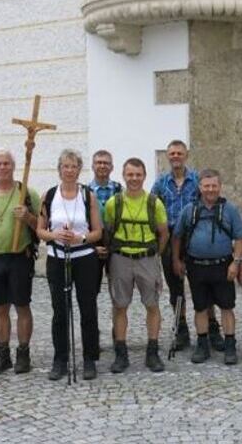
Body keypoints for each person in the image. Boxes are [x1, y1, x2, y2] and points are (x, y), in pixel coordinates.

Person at [37, 149, 103, 381]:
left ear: (79, 169)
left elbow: (97, 232)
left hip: (84, 257)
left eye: (74, 166)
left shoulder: (88, 196)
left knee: (88, 308)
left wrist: (80, 238)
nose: (70, 170)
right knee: (60, 310)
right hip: (57, 257)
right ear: (59, 169)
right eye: (66, 166)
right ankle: (60, 359)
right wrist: (55, 235)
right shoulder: (49, 195)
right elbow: (40, 230)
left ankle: (89, 359)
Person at [151, 140, 224, 351]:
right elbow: (153, 210)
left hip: (194, 238)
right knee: (176, 290)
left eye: (179, 153)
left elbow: (210, 204)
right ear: (168, 156)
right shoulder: (160, 183)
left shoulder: (197, 180)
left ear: (186, 155)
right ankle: (181, 329)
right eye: (172, 153)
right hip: (170, 239)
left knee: (204, 285)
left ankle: (212, 327)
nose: (176, 156)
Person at [0, 147, 40, 376]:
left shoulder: (26, 193)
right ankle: (3, 354)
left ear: (13, 166)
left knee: (22, 306)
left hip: (20, 257)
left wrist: (28, 217)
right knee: (0, 308)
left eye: (6, 163)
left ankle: (23, 353)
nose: (2, 167)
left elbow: (42, 227)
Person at [172, 169, 242, 365]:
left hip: (223, 265)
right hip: (196, 266)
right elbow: (177, 236)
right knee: (200, 307)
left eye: (214, 186)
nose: (210, 189)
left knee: (227, 307)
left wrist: (236, 263)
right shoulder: (189, 210)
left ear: (220, 187)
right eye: (206, 186)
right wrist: (176, 260)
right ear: (200, 187)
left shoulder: (229, 210)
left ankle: (230, 345)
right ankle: (202, 344)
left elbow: (240, 237)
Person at [105, 158, 169, 373]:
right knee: (119, 306)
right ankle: (121, 353)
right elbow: (108, 231)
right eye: (130, 174)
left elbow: (164, 233)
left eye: (138, 174)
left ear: (144, 176)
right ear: (123, 176)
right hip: (120, 258)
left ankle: (152, 352)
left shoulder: (154, 203)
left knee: (152, 304)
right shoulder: (113, 203)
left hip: (146, 258)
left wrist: (155, 255)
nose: (134, 178)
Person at [89, 149, 122, 293]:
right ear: (92, 166)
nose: (102, 166)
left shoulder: (120, 191)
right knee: (90, 289)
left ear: (112, 167)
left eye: (106, 163)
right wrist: (91, 247)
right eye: (98, 163)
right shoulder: (84, 192)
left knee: (118, 290)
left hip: (115, 242)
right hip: (92, 243)